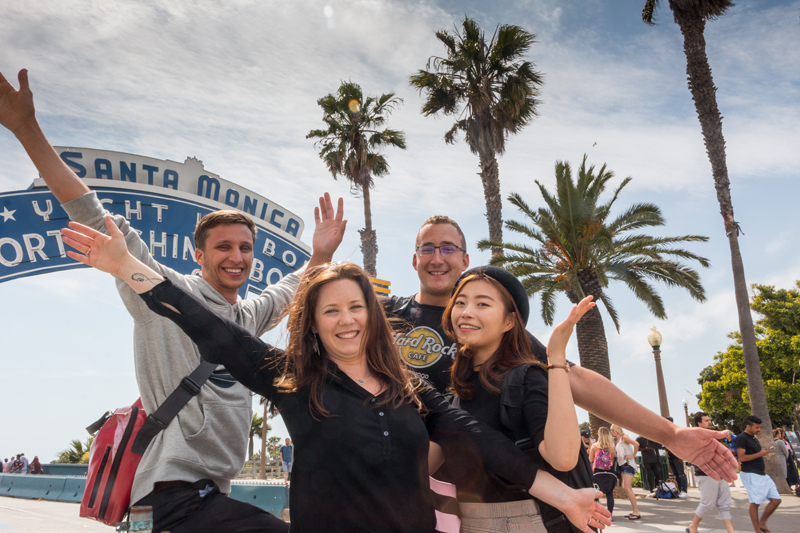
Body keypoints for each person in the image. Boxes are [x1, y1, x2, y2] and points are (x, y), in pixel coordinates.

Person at [61, 219, 613, 533]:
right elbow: (213, 330)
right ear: (315, 324)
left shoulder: (412, 391)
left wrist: (563, 498)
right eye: (330, 310)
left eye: (356, 307)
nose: (346, 319)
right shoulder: (294, 381)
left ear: (372, 318)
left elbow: (487, 445)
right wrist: (129, 270)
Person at [0, 69, 347, 533]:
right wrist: (26, 129)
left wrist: (322, 253)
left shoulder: (247, 316)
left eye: (245, 247)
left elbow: (290, 291)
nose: (237, 257)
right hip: (171, 494)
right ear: (197, 254)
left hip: (208, 495)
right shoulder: (163, 293)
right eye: (223, 247)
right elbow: (93, 212)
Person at [384, 215, 739, 481]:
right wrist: (323, 255)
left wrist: (670, 434)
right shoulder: (384, 316)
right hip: (391, 480)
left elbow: (576, 380)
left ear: (465, 260)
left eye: (448, 248)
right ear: (414, 260)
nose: (437, 258)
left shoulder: (499, 334)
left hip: (469, 491)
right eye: (426, 249)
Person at [429, 265, 591, 532]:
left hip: (524, 522)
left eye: (483, 304)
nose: (467, 312)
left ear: (509, 321)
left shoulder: (525, 378)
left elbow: (563, 458)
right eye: (460, 302)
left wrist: (556, 358)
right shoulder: (460, 391)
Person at [686, 412, 735, 533]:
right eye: (706, 421)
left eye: (709, 420)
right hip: (705, 474)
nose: (710, 422)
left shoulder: (711, 436)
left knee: (724, 504)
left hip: (720, 472)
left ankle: (731, 531)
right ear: (699, 423)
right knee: (707, 504)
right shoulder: (695, 437)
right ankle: (693, 526)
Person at [735, 416, 781, 533]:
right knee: (755, 503)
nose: (759, 430)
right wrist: (760, 454)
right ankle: (757, 530)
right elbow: (742, 458)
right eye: (756, 427)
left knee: (776, 499)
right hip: (750, 474)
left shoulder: (754, 438)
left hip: (761, 473)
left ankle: (762, 523)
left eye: (759, 427)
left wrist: (762, 453)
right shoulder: (741, 438)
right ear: (748, 426)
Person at [610, 424, 640, 521]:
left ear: (617, 429)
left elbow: (636, 444)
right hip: (623, 466)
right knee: (626, 488)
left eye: (612, 429)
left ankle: (636, 511)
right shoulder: (618, 441)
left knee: (627, 488)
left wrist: (633, 455)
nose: (611, 432)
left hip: (628, 465)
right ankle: (634, 510)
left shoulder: (624, 437)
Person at [589, 428, 617, 515]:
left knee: (596, 495)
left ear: (599, 435)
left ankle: (597, 514)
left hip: (597, 473)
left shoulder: (594, 446)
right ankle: (610, 515)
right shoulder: (612, 446)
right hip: (609, 472)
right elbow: (611, 459)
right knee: (609, 494)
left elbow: (590, 459)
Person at [665, 417, 688, 497]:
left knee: (681, 474)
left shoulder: (676, 431)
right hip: (670, 457)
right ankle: (679, 490)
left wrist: (681, 457)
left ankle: (684, 490)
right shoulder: (667, 433)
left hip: (677, 457)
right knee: (676, 475)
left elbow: (681, 444)